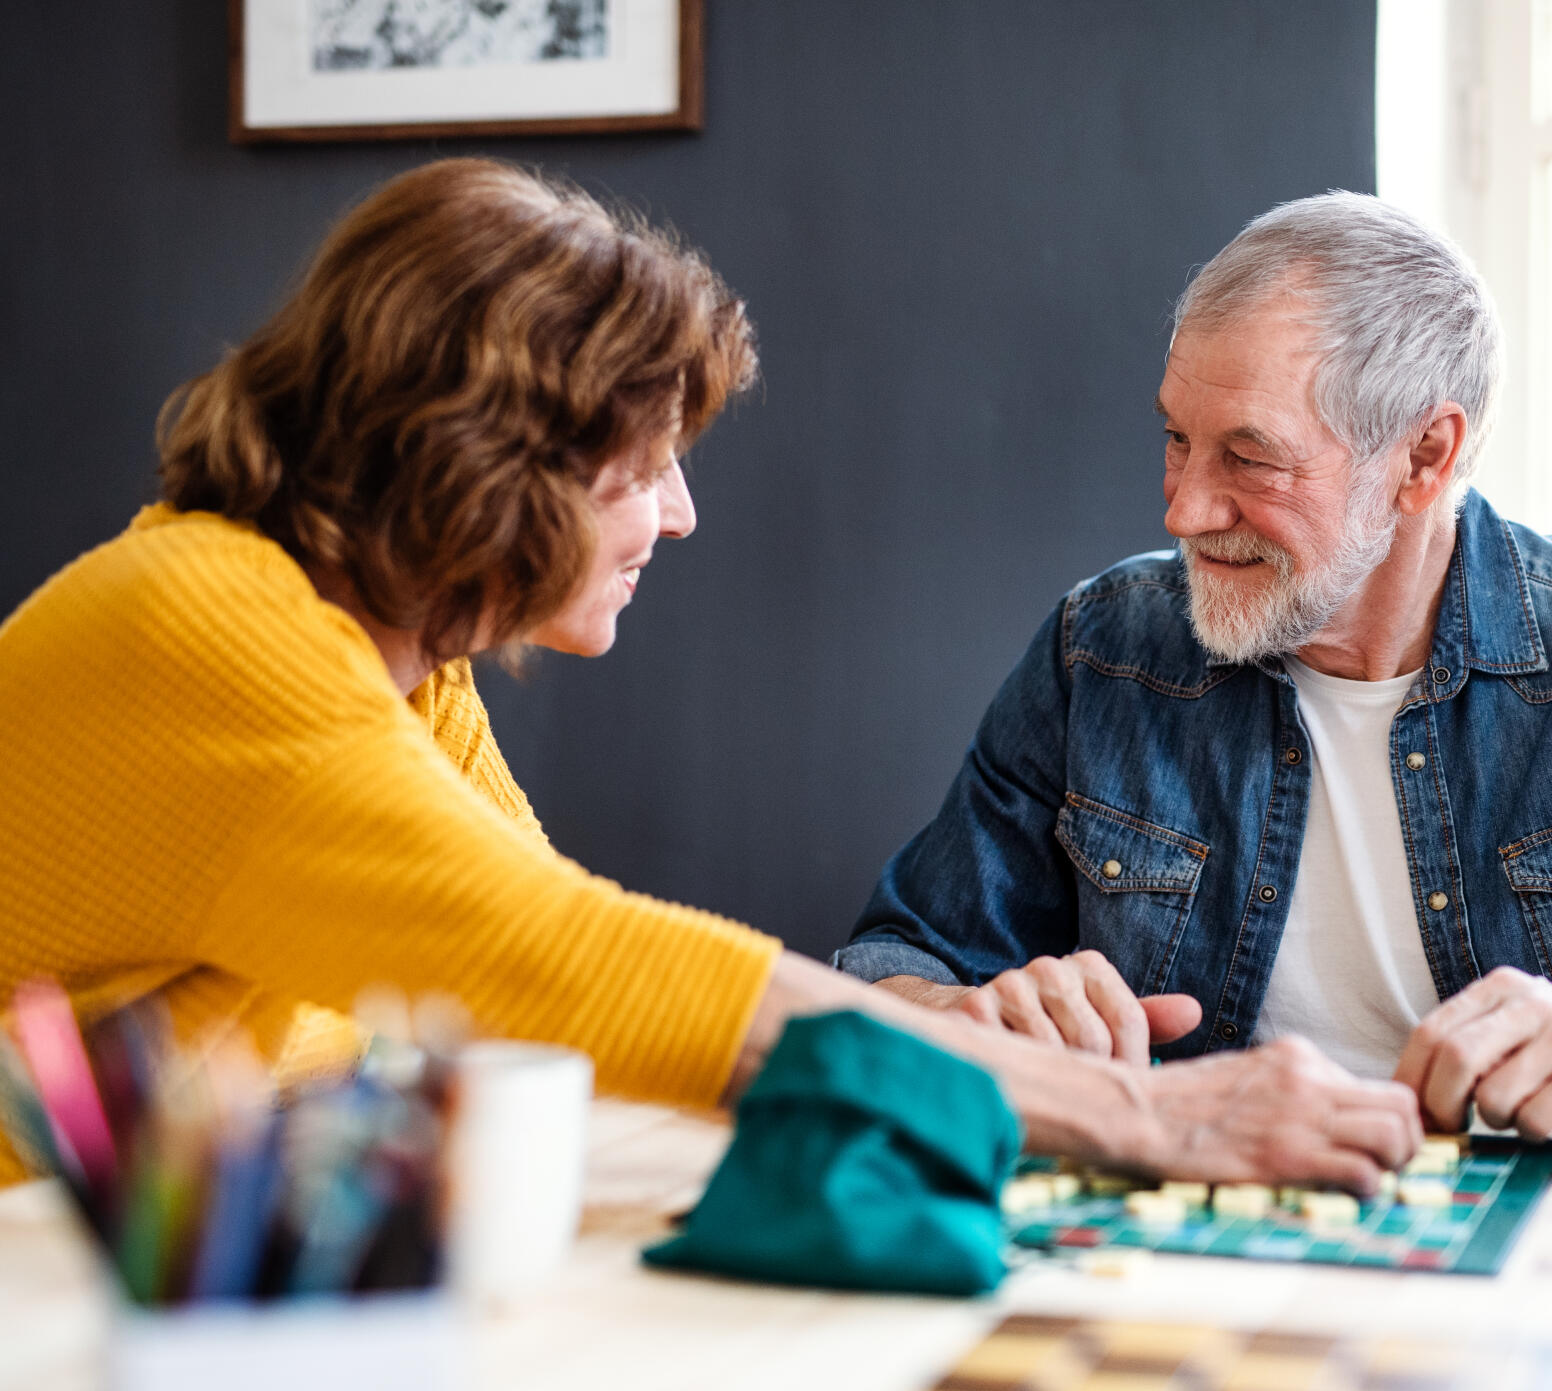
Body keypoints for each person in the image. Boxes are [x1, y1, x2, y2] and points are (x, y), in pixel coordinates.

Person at [0, 160, 1421, 1190]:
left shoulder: (398, 661)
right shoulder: (204, 628)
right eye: (644, 466)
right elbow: (574, 968)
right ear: (487, 464)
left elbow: (550, 1001)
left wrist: (945, 1040)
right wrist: (1151, 1116)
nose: (678, 514)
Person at [835, 191, 1552, 1135]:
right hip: (1182, 1232)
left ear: (1425, 454)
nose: (1182, 508)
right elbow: (889, 963)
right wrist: (967, 1015)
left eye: (1250, 458)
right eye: (1176, 438)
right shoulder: (1101, 650)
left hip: (1541, 1255)